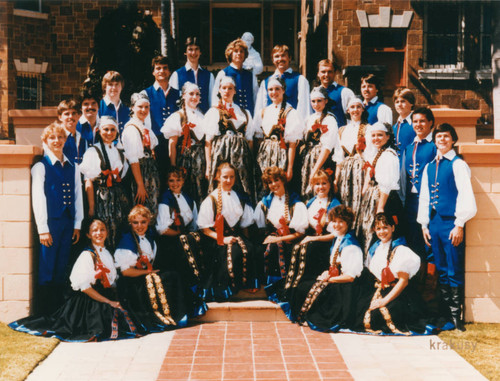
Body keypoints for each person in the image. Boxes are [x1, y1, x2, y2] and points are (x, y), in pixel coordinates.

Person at [9, 220, 139, 342]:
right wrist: (108, 301)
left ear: (107, 232)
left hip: (102, 296)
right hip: (88, 301)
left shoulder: (106, 253)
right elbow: (85, 288)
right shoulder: (87, 255)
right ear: (88, 234)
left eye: (102, 229)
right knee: (105, 321)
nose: (99, 233)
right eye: (95, 230)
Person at [417, 123, 477, 331]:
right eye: (439, 136)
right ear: (434, 141)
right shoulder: (429, 166)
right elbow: (424, 197)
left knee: (453, 268)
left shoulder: (458, 164)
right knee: (440, 269)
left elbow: (466, 196)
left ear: (453, 139)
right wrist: (424, 224)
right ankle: (443, 315)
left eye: (446, 136)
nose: (442, 140)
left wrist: (459, 224)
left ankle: (456, 317)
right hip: (434, 223)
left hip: (451, 223)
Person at [115, 205, 205, 333]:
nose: (139, 226)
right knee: (166, 280)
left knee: (173, 276)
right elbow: (126, 272)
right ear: (130, 223)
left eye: (143, 222)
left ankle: (183, 314)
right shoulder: (127, 241)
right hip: (132, 281)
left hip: (145, 274)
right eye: (135, 223)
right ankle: (166, 317)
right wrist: (147, 272)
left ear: (148, 222)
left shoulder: (149, 235)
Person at [32, 124, 84, 314]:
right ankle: (45, 312)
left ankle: (58, 311)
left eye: (60, 137)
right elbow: (38, 198)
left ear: (65, 140)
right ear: (45, 141)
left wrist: (77, 224)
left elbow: (78, 196)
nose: (57, 141)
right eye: (52, 138)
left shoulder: (74, 166)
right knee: (47, 266)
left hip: (68, 222)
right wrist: (43, 229)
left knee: (62, 265)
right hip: (50, 224)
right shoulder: (41, 166)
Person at [288, 205, 363, 330]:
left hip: (346, 288)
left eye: (341, 222)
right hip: (338, 280)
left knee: (312, 290)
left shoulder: (350, 246)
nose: (337, 225)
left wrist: (329, 279)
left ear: (348, 223)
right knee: (303, 286)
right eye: (334, 221)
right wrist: (327, 274)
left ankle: (310, 317)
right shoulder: (339, 238)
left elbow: (350, 277)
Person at [356, 213, 430, 335]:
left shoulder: (400, 250)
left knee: (380, 316)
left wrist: (384, 301)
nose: (382, 232)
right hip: (379, 289)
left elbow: (403, 281)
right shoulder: (375, 248)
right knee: (359, 311)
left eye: (385, 227)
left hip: (398, 293)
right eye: (378, 228)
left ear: (393, 228)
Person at [277, 170, 340, 303]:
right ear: (312, 186)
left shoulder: (335, 205)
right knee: (295, 249)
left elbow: (335, 235)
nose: (321, 187)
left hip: (326, 243)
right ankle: (290, 290)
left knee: (308, 250)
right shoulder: (310, 203)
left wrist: (312, 239)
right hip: (311, 239)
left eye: (324, 183)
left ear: (330, 185)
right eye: (317, 184)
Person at [197, 163, 258, 301]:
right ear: (217, 177)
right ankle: (228, 289)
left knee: (250, 249)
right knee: (233, 253)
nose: (229, 180)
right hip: (216, 238)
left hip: (235, 235)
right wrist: (223, 239)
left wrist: (247, 241)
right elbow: (205, 229)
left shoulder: (239, 197)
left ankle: (246, 284)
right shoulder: (211, 199)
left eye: (232, 177)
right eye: (225, 177)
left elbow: (244, 225)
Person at [79, 116, 130, 249]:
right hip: (102, 197)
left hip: (118, 197)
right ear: (99, 131)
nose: (109, 133)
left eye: (112, 130)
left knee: (119, 227)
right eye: (106, 129)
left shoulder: (120, 152)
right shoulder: (93, 151)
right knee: (104, 228)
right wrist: (91, 206)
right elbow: (88, 181)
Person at [205, 75, 256, 202]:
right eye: (224, 88)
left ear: (235, 91)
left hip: (241, 159)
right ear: (219, 90)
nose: (227, 91)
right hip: (221, 154)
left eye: (230, 88)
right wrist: (209, 166)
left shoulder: (244, 112)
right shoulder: (214, 112)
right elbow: (208, 141)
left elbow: (249, 140)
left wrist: (250, 160)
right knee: (222, 185)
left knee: (241, 185)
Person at [254, 167, 308, 286]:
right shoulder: (265, 203)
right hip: (272, 238)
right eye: (270, 182)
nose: (273, 184)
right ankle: (265, 285)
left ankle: (279, 286)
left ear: (283, 180)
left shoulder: (295, 203)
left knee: (276, 247)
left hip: (291, 239)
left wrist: (278, 239)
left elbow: (300, 233)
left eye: (276, 180)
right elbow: (260, 228)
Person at [156, 167, 203, 289]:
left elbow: (195, 223)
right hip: (171, 241)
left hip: (185, 237)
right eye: (171, 180)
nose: (175, 184)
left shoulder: (188, 198)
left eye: (178, 180)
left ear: (183, 181)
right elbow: (162, 229)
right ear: (167, 182)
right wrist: (180, 234)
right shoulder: (165, 199)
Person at [358, 122, 402, 254]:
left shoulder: (388, 155)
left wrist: (381, 208)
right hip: (375, 198)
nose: (376, 138)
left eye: (380, 135)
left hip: (385, 200)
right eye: (373, 135)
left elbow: (386, 185)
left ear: (388, 137)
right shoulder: (377, 153)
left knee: (386, 233)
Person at [399, 107, 437, 260]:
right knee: (413, 239)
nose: (418, 124)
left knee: (430, 240)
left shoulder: (434, 146)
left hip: (428, 200)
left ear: (430, 123)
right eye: (415, 121)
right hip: (411, 201)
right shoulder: (409, 147)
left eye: (422, 121)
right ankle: (416, 279)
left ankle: (431, 280)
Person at [253, 77, 304, 188]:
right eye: (270, 89)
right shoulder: (263, 112)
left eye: (277, 89)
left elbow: (292, 144)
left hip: (282, 156)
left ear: (283, 90)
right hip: (264, 157)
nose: (273, 92)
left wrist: (289, 168)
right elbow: (258, 139)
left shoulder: (291, 112)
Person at [161, 82, 207, 204]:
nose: (194, 97)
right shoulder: (177, 116)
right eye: (191, 94)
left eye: (197, 94)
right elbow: (172, 144)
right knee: (187, 189)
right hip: (186, 160)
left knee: (201, 190)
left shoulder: (203, 116)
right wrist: (174, 168)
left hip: (201, 160)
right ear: (183, 96)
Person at [334, 97, 371, 232]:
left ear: (362, 109)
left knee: (358, 205)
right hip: (345, 172)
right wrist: (335, 179)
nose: (355, 110)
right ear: (348, 110)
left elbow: (370, 159)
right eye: (352, 107)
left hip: (360, 171)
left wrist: (366, 183)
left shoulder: (368, 129)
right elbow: (338, 158)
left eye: (358, 107)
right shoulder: (342, 130)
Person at [121, 93, 160, 220]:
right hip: (140, 175)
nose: (144, 110)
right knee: (142, 210)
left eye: (146, 107)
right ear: (132, 108)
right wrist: (140, 185)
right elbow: (134, 160)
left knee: (151, 210)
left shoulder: (143, 126)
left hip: (149, 173)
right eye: (140, 107)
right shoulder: (131, 129)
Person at [142, 55, 179, 184]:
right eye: (158, 68)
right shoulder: (146, 93)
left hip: (176, 143)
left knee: (176, 177)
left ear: (169, 71)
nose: (161, 71)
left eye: (165, 68)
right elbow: (144, 122)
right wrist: (149, 145)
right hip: (156, 142)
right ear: (153, 72)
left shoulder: (178, 94)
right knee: (160, 179)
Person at [300, 86, 341, 197]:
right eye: (313, 101)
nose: (316, 104)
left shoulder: (329, 119)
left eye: (319, 101)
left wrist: (315, 169)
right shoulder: (310, 118)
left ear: (326, 101)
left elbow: (327, 148)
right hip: (308, 159)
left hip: (322, 161)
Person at [255, 44, 311, 121]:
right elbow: (261, 108)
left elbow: (304, 108)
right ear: (273, 59)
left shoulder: (300, 80)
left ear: (290, 58)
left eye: (283, 55)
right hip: (271, 127)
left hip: (292, 126)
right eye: (277, 56)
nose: (280, 59)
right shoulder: (266, 82)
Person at [212, 39, 259, 116]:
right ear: (230, 54)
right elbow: (215, 98)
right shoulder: (223, 74)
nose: (239, 53)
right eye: (236, 51)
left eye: (241, 51)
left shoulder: (250, 75)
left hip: (249, 117)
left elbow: (256, 97)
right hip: (230, 118)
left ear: (245, 54)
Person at [169, 37, 214, 113]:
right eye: (190, 49)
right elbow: (172, 102)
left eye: (196, 49)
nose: (193, 53)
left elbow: (212, 101)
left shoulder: (209, 76)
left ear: (200, 52)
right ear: (185, 52)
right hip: (185, 120)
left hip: (204, 119)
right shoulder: (177, 75)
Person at [316, 59, 354, 127]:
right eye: (323, 72)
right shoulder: (314, 93)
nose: (326, 75)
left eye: (329, 72)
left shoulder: (345, 92)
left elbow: (353, 118)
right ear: (318, 73)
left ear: (335, 73)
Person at [98, 71, 130, 135]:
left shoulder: (127, 110)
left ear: (121, 87)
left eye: (117, 84)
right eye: (110, 84)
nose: (114, 88)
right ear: (105, 87)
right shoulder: (98, 107)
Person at [57, 99, 87, 165]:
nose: (70, 117)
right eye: (67, 114)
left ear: (79, 116)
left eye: (74, 113)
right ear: (60, 117)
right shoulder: (55, 137)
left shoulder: (82, 138)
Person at [392, 88, 416, 160]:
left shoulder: (415, 124)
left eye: (403, 101)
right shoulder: (394, 127)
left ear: (411, 103)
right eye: (397, 102)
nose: (399, 105)